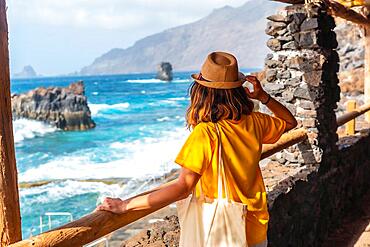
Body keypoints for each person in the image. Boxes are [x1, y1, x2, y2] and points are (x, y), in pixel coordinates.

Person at [96, 51, 297, 247]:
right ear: (237, 90)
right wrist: (263, 97)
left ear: (202, 92)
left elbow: (183, 187)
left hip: (222, 230)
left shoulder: (206, 133)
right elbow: (289, 123)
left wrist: (125, 205)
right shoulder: (255, 121)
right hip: (254, 224)